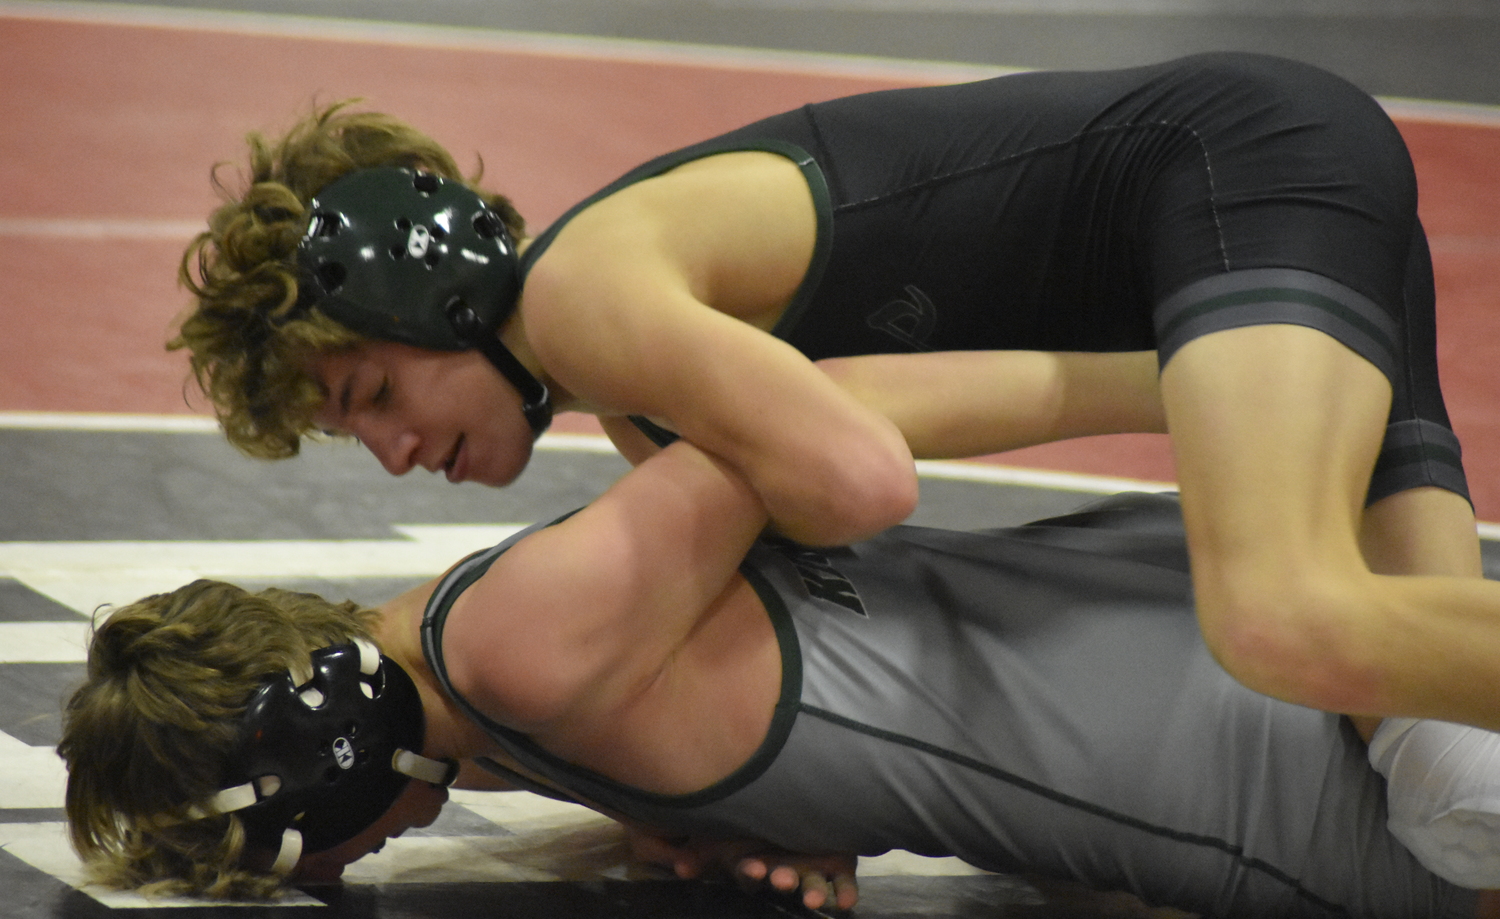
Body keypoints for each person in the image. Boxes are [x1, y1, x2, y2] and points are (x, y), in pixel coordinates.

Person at [170, 51, 1494, 738]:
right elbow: (832, 559)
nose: (394, 453)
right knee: (1432, 767)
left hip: (1226, 172)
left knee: (1280, 619)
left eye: (372, 392)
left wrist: (1166, 384)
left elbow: (860, 480)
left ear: (434, 297)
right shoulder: (636, 394)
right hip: (1232, 211)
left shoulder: (588, 295)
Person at [57, 437, 1500, 916]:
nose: (344, 870)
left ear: (322, 757)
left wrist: (1202, 365)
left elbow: (851, 415)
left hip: (1277, 762)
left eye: (309, 854)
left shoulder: (516, 650)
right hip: (1196, 627)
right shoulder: (494, 665)